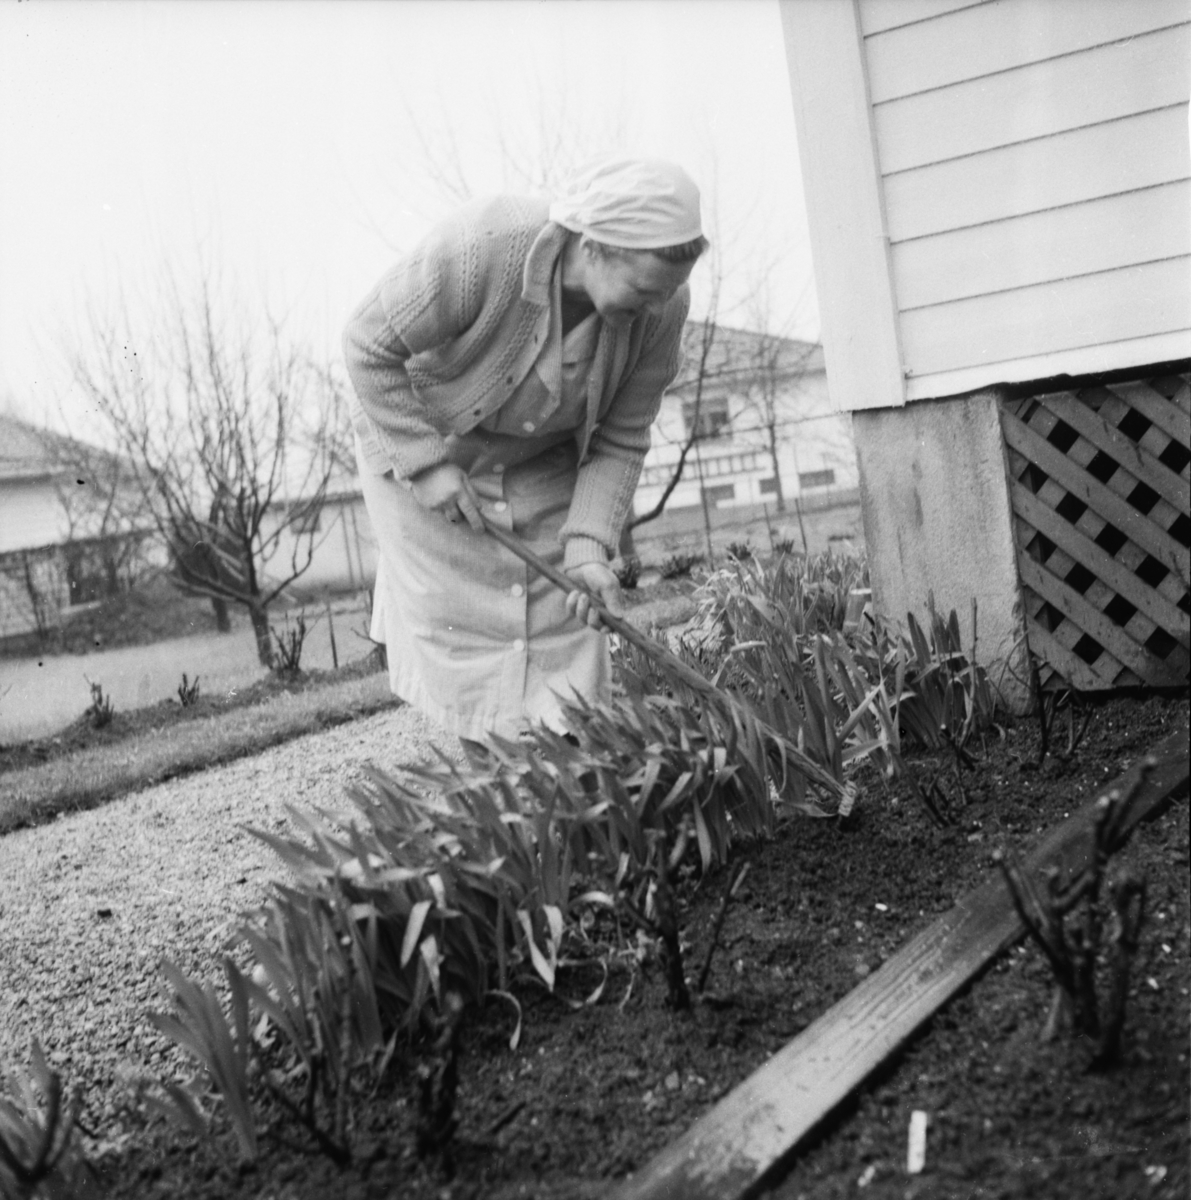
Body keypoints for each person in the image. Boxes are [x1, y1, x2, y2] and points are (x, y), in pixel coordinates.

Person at [343, 157, 707, 739]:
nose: (654, 309)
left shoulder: (663, 308)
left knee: (564, 618)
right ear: (594, 246)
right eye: (643, 291)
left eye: (665, 294)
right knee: (465, 625)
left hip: (541, 452)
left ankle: (571, 776)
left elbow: (621, 436)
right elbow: (366, 343)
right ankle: (499, 782)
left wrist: (588, 548)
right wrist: (426, 464)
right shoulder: (485, 244)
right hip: (419, 438)